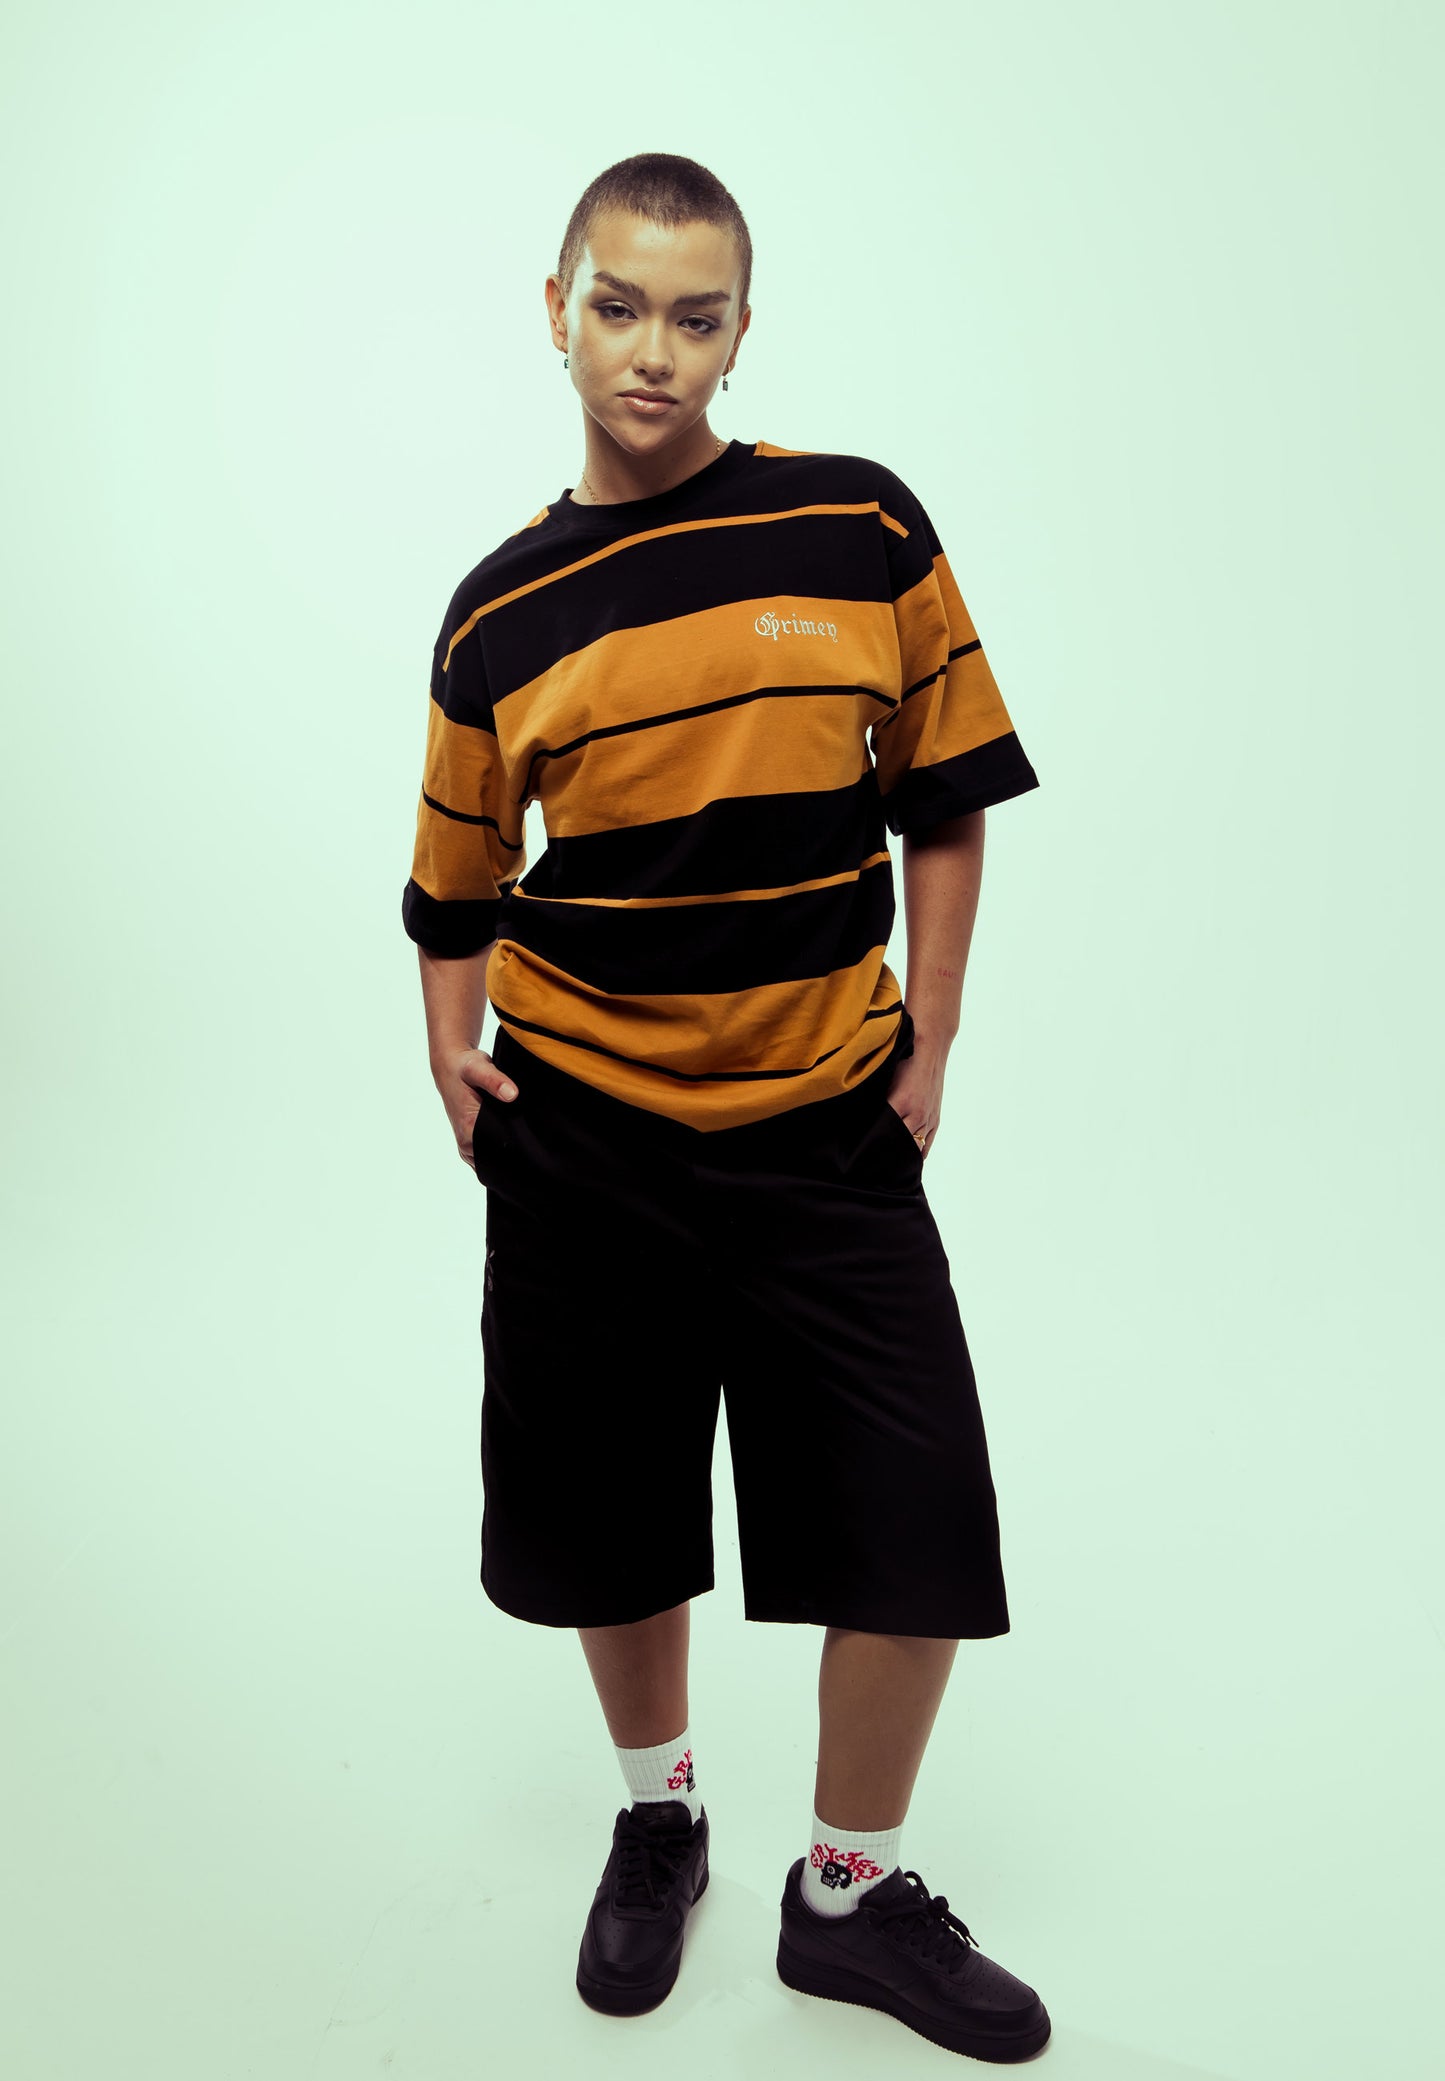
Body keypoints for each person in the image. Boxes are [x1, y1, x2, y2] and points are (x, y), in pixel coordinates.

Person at [401, 151, 1051, 2064]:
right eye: (618, 307)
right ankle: (661, 1817)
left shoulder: (857, 524)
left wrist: (932, 1039)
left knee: (918, 1523)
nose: (653, 353)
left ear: (741, 329)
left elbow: (947, 791)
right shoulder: (499, 611)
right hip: (586, 1141)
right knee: (610, 1524)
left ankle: (845, 1897)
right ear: (556, 311)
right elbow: (451, 879)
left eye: (696, 318)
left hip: (827, 1127)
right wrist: (454, 1058)